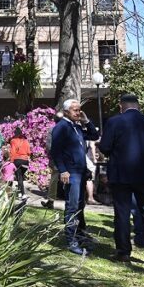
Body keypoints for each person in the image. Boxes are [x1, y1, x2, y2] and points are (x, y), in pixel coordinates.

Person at [98, 94, 144, 265]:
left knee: (122, 214)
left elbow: (105, 147)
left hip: (122, 174)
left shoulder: (114, 122)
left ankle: (123, 252)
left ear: (121, 106)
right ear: (138, 106)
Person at [50, 99, 100, 255]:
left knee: (79, 206)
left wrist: (86, 121)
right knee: (72, 207)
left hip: (80, 172)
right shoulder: (61, 127)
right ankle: (71, 241)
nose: (78, 113)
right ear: (66, 112)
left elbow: (94, 135)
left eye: (79, 110)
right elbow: (55, 151)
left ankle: (79, 236)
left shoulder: (76, 127)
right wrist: (63, 170)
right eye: (75, 110)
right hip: (71, 173)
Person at [41, 111, 64, 209]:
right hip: (65, 158)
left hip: (57, 158)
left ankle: (51, 200)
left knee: (54, 179)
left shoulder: (52, 129)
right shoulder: (68, 129)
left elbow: (48, 146)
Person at [9, 127, 31, 199]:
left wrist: (11, 162)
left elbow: (12, 152)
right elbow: (28, 152)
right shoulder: (26, 141)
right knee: (20, 177)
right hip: (25, 161)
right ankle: (19, 193)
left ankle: (23, 194)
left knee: (19, 177)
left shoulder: (13, 141)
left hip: (17, 160)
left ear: (15, 133)